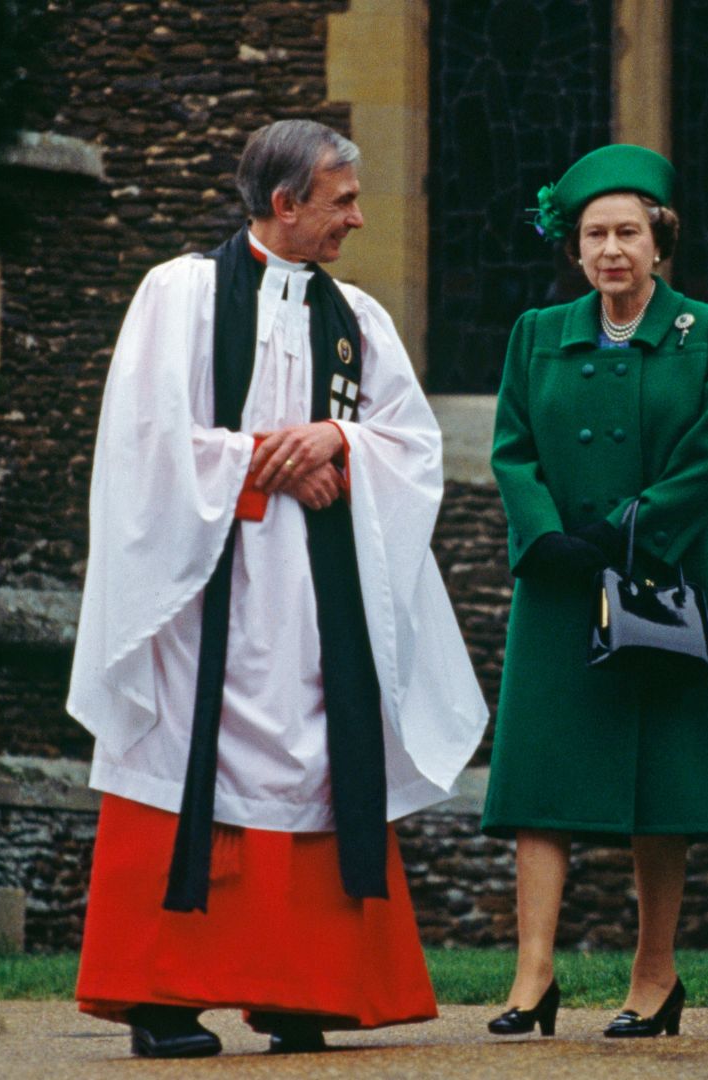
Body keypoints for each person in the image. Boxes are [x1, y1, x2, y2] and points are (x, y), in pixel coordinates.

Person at [65, 119, 487, 1058]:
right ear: (285, 202)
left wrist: (340, 442)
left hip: (314, 595)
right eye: (341, 201)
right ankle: (163, 999)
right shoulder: (180, 295)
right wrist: (263, 460)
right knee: (186, 756)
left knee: (314, 760)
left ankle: (302, 992)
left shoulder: (361, 320)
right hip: (203, 583)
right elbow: (142, 439)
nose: (359, 219)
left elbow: (414, 446)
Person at [481, 144, 708, 1039]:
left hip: (664, 575)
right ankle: (533, 978)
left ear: (660, 241)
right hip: (561, 585)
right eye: (594, 235)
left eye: (629, 233)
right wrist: (548, 537)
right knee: (541, 777)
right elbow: (511, 447)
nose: (612, 249)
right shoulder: (536, 335)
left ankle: (656, 973)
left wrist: (630, 530)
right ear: (574, 249)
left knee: (663, 783)